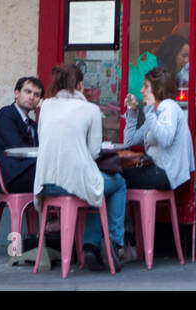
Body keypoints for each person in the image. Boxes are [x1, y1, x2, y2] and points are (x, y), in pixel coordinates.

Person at [34, 64, 127, 270]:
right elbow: (94, 152)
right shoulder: (91, 109)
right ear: (81, 85)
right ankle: (113, 242)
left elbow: (43, 140)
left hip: (46, 184)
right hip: (73, 183)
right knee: (117, 184)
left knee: (94, 184)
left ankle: (91, 246)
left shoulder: (46, 106)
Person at [122, 67, 193, 191]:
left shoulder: (168, 107)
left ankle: (113, 211)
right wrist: (132, 113)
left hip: (164, 174)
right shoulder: (155, 112)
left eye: (145, 86)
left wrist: (149, 112)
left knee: (117, 178)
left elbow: (166, 139)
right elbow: (129, 141)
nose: (141, 90)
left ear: (158, 89)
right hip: (157, 170)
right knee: (119, 174)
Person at [0, 76, 43, 203]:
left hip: (27, 172)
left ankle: (55, 216)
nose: (32, 97)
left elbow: (44, 147)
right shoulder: (5, 115)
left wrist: (45, 112)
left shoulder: (32, 125)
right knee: (52, 173)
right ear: (16, 93)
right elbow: (18, 149)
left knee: (58, 171)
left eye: (36, 95)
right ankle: (54, 218)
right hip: (10, 177)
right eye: (27, 92)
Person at [128, 32, 188, 105]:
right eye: (184, 56)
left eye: (189, 56)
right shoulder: (160, 73)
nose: (187, 60)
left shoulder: (170, 72)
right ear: (173, 54)